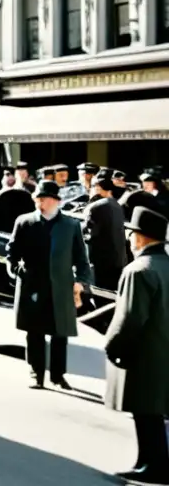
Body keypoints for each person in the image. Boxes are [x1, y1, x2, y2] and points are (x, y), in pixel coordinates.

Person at [5, 180, 93, 390]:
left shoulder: (71, 226)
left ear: (56, 201)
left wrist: (81, 281)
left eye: (44, 199)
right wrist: (16, 271)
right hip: (32, 285)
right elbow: (12, 252)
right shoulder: (25, 222)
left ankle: (58, 375)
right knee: (34, 332)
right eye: (38, 198)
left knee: (59, 333)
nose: (40, 202)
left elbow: (82, 258)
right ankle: (36, 373)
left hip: (61, 286)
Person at [105, 207, 169, 484]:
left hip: (146, 353)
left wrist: (113, 346)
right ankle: (149, 462)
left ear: (140, 238)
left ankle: (153, 466)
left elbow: (130, 317)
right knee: (152, 412)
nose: (129, 238)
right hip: (163, 350)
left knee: (146, 413)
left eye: (132, 233)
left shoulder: (139, 270)